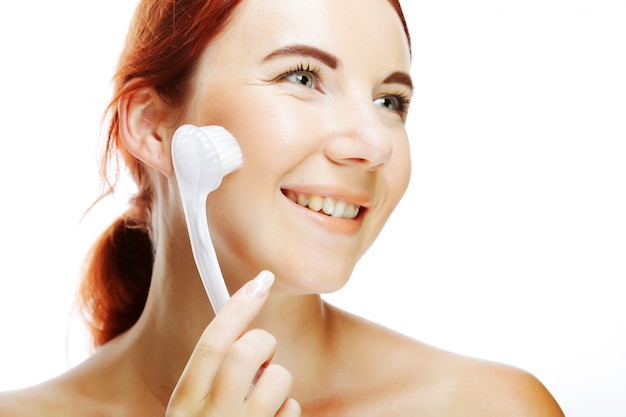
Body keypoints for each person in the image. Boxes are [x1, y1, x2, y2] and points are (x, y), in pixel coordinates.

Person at [0, 0, 565, 415]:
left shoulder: (489, 408)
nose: (374, 144)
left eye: (390, 101)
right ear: (152, 127)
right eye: (302, 76)